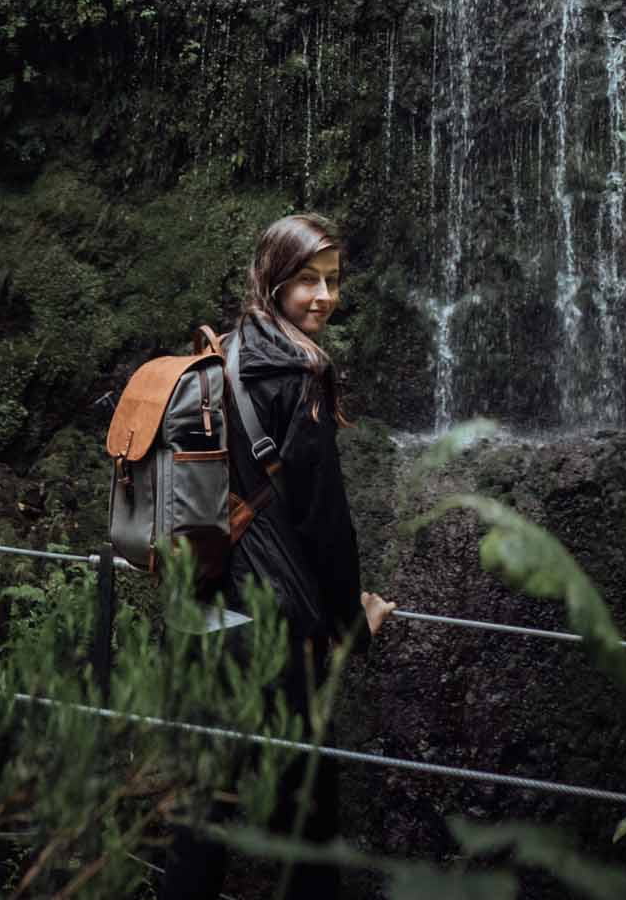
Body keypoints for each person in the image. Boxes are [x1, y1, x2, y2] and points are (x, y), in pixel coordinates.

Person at [159, 211, 395, 900]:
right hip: (273, 631)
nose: (323, 297)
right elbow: (326, 523)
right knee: (306, 825)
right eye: (306, 281)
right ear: (273, 281)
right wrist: (353, 627)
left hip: (205, 613)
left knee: (204, 813)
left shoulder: (223, 356)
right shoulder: (300, 372)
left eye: (332, 282)